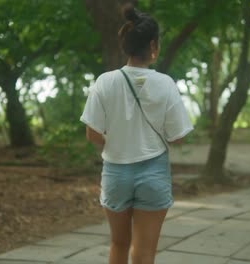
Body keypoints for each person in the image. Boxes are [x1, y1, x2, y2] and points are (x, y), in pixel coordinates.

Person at [80, 4, 193, 264]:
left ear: (126, 44)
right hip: (153, 172)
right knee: (144, 252)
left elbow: (92, 134)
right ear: (153, 46)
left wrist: (117, 142)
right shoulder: (165, 84)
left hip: (116, 173)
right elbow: (179, 137)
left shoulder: (105, 82)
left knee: (119, 244)